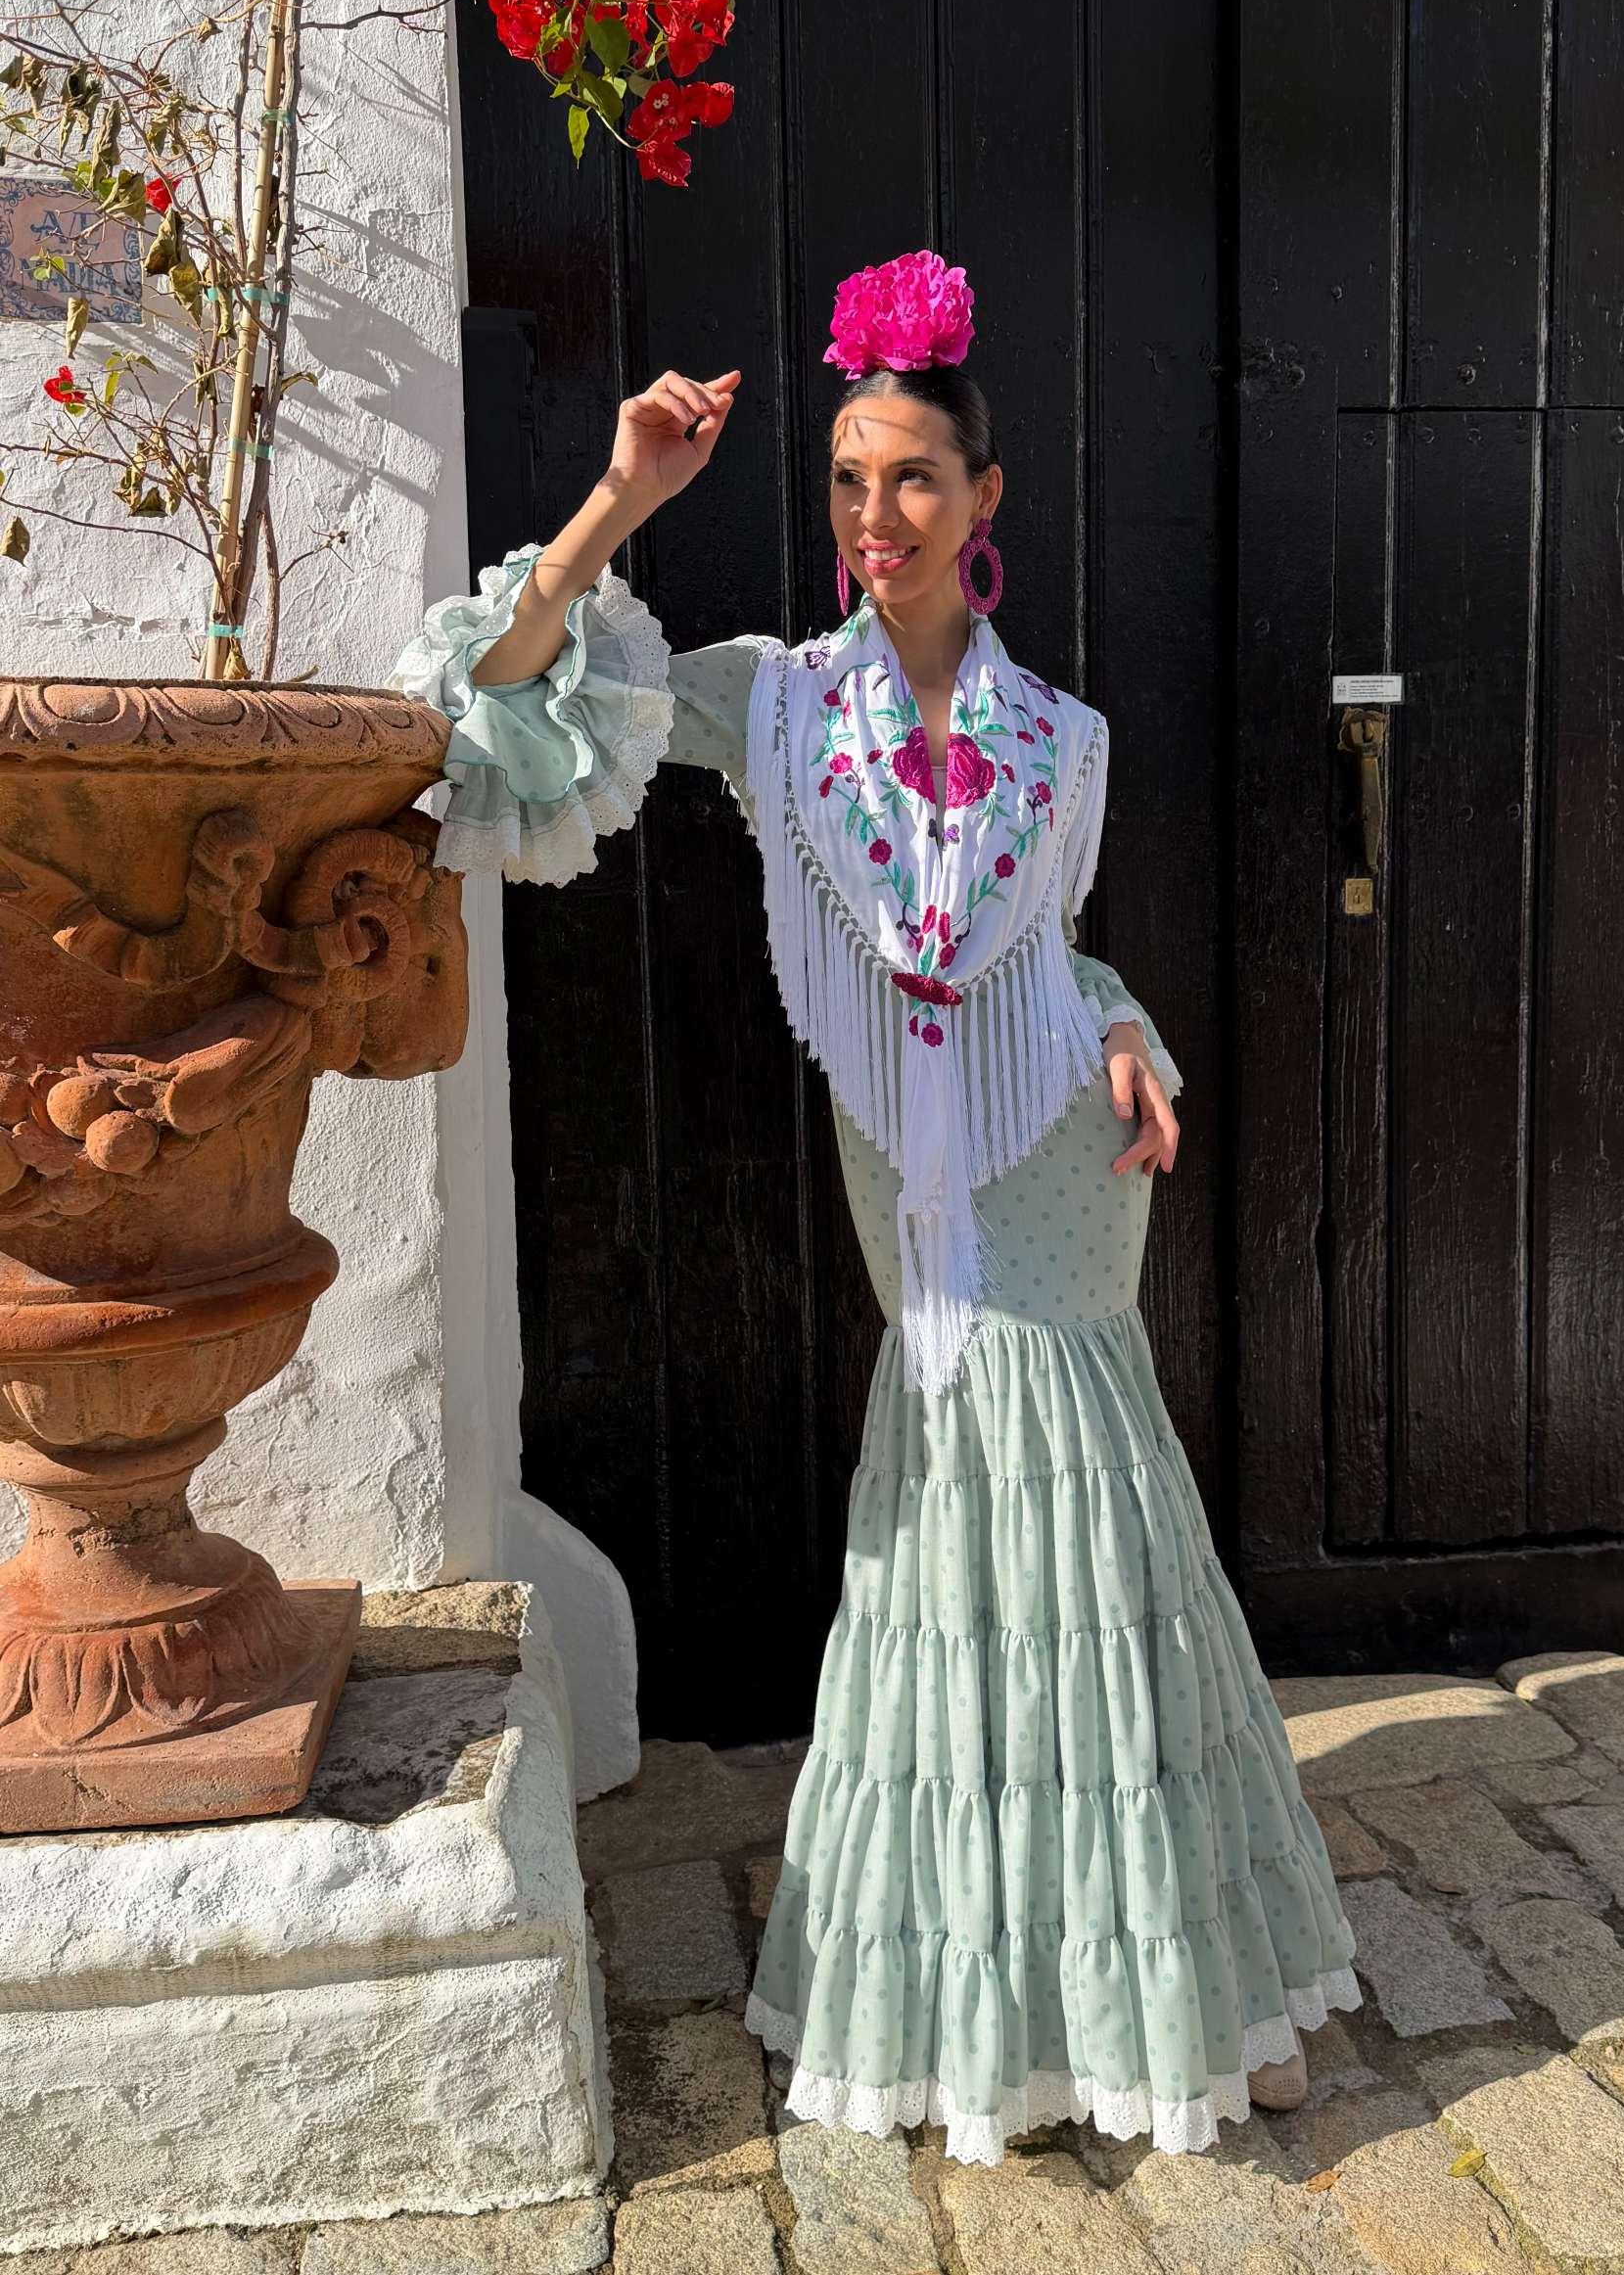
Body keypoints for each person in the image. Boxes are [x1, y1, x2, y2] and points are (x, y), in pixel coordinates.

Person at [388, 250, 1362, 2167]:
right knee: (959, 1536)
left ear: (983, 500)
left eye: (910, 476)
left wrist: (1132, 1039)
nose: (873, 516)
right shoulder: (771, 710)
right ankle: (996, 2005)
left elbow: (1053, 961)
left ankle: (1165, 2001)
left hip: (1066, 1178)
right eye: (845, 478)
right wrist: (622, 501)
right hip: (916, 1191)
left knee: (1094, 1530)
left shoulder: (1060, 743)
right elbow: (496, 701)